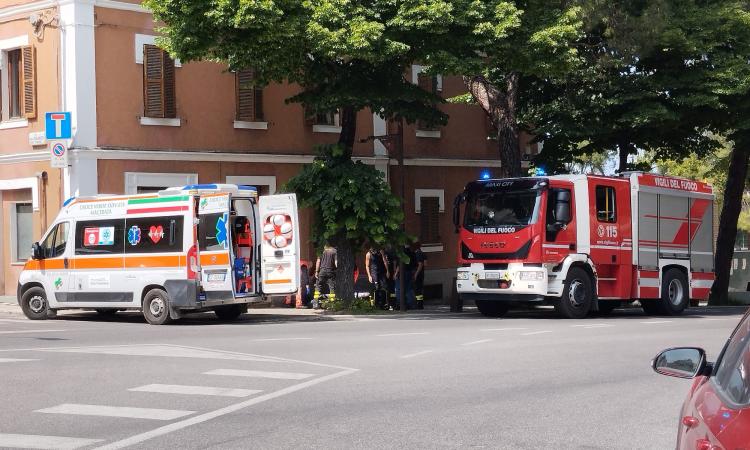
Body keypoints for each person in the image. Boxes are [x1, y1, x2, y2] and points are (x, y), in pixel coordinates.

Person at [313, 244, 337, 309]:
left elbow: (318, 261)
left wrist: (316, 271)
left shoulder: (321, 251)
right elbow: (336, 262)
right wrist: (338, 270)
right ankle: (332, 304)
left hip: (322, 271)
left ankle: (315, 303)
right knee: (332, 287)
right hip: (330, 271)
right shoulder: (334, 251)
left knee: (318, 286)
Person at [394, 245, 416, 310]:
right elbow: (414, 265)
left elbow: (399, 265)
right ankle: (411, 304)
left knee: (399, 289)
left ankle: (400, 304)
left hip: (402, 273)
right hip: (409, 272)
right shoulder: (412, 253)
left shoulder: (402, 254)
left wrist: (395, 274)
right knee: (409, 289)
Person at [413, 242, 427, 309]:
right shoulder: (423, 253)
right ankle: (420, 304)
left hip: (417, 274)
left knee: (416, 289)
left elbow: (420, 264)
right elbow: (426, 264)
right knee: (420, 289)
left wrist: (416, 274)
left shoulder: (417, 254)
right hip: (422, 274)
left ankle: (418, 304)